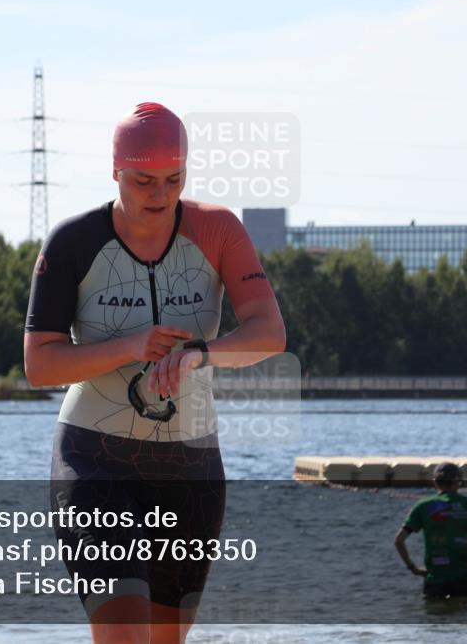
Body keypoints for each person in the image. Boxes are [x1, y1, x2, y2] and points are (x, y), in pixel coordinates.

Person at [23, 102, 286, 644]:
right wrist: (130, 346)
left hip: (190, 466)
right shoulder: (73, 242)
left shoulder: (218, 230)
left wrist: (199, 354)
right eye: (144, 180)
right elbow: (40, 364)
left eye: (174, 179)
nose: (160, 194)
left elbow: (268, 333)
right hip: (96, 461)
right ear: (115, 170)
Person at [394, 462, 467, 599]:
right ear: (458, 481)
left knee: (435, 615)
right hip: (466, 580)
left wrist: (412, 568)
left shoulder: (423, 506)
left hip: (435, 580)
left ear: (435, 482)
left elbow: (399, 540)